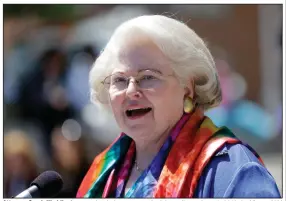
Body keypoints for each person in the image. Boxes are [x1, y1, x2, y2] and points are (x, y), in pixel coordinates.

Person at [76, 15, 281, 198]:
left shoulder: (231, 170)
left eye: (148, 77)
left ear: (188, 88)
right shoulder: (102, 171)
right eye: (119, 80)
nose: (131, 91)